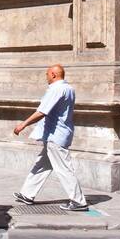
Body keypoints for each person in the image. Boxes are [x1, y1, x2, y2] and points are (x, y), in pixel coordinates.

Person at [13, 63, 87, 212]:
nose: (46, 78)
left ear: (53, 74)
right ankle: (27, 194)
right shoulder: (68, 88)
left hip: (56, 135)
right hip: (58, 134)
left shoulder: (57, 89)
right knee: (41, 164)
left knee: (64, 169)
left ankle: (79, 201)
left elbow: (42, 111)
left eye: (47, 75)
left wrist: (24, 124)